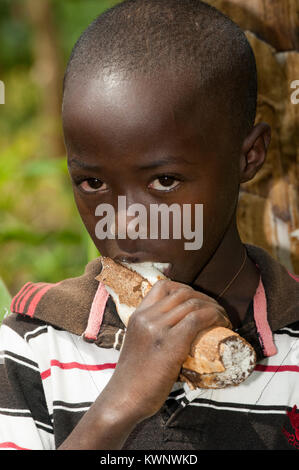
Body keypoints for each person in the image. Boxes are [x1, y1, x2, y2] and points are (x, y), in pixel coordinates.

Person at [0, 0, 298, 451]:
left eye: (164, 180)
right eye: (93, 182)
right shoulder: (37, 347)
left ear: (248, 156)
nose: (123, 224)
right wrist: (118, 407)